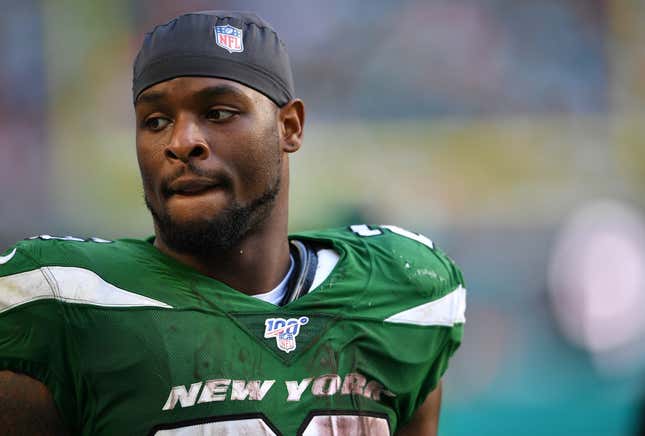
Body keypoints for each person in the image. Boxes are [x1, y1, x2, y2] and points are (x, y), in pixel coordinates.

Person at [0, 11, 466, 436]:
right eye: (156, 120)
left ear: (290, 128)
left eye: (218, 113)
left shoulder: (405, 292)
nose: (181, 142)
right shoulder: (67, 306)